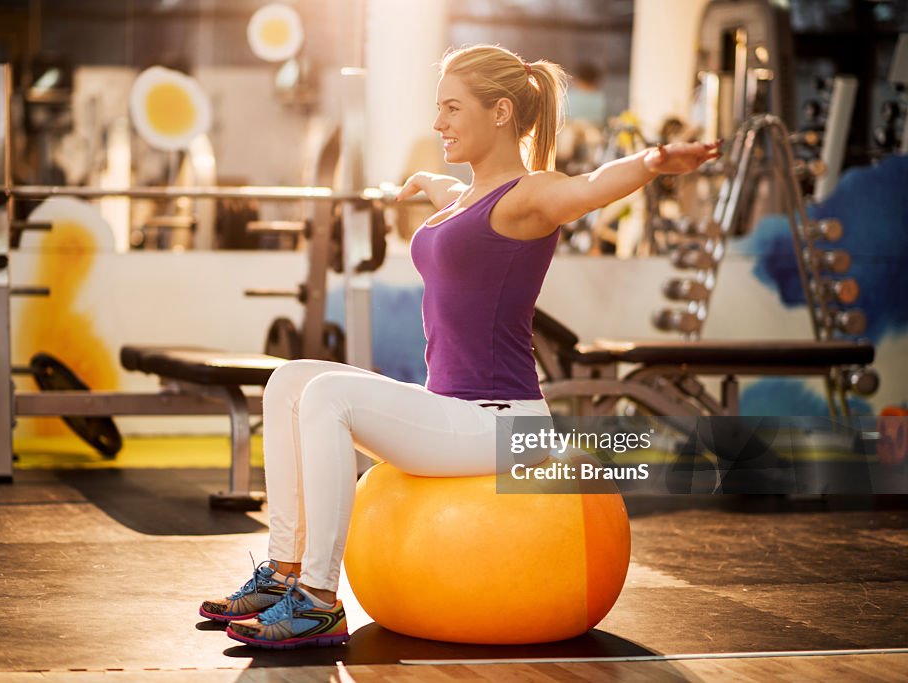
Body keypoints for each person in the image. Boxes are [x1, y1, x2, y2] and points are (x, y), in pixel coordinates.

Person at [199, 44, 720, 649]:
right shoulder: (471, 197)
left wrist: (655, 161)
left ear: (500, 112)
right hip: (451, 409)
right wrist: (430, 182)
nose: (437, 123)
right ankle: (282, 573)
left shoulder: (531, 196)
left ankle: (316, 601)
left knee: (327, 397)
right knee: (288, 380)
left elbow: (591, 188)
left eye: (451, 108)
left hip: (499, 424)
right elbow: (464, 211)